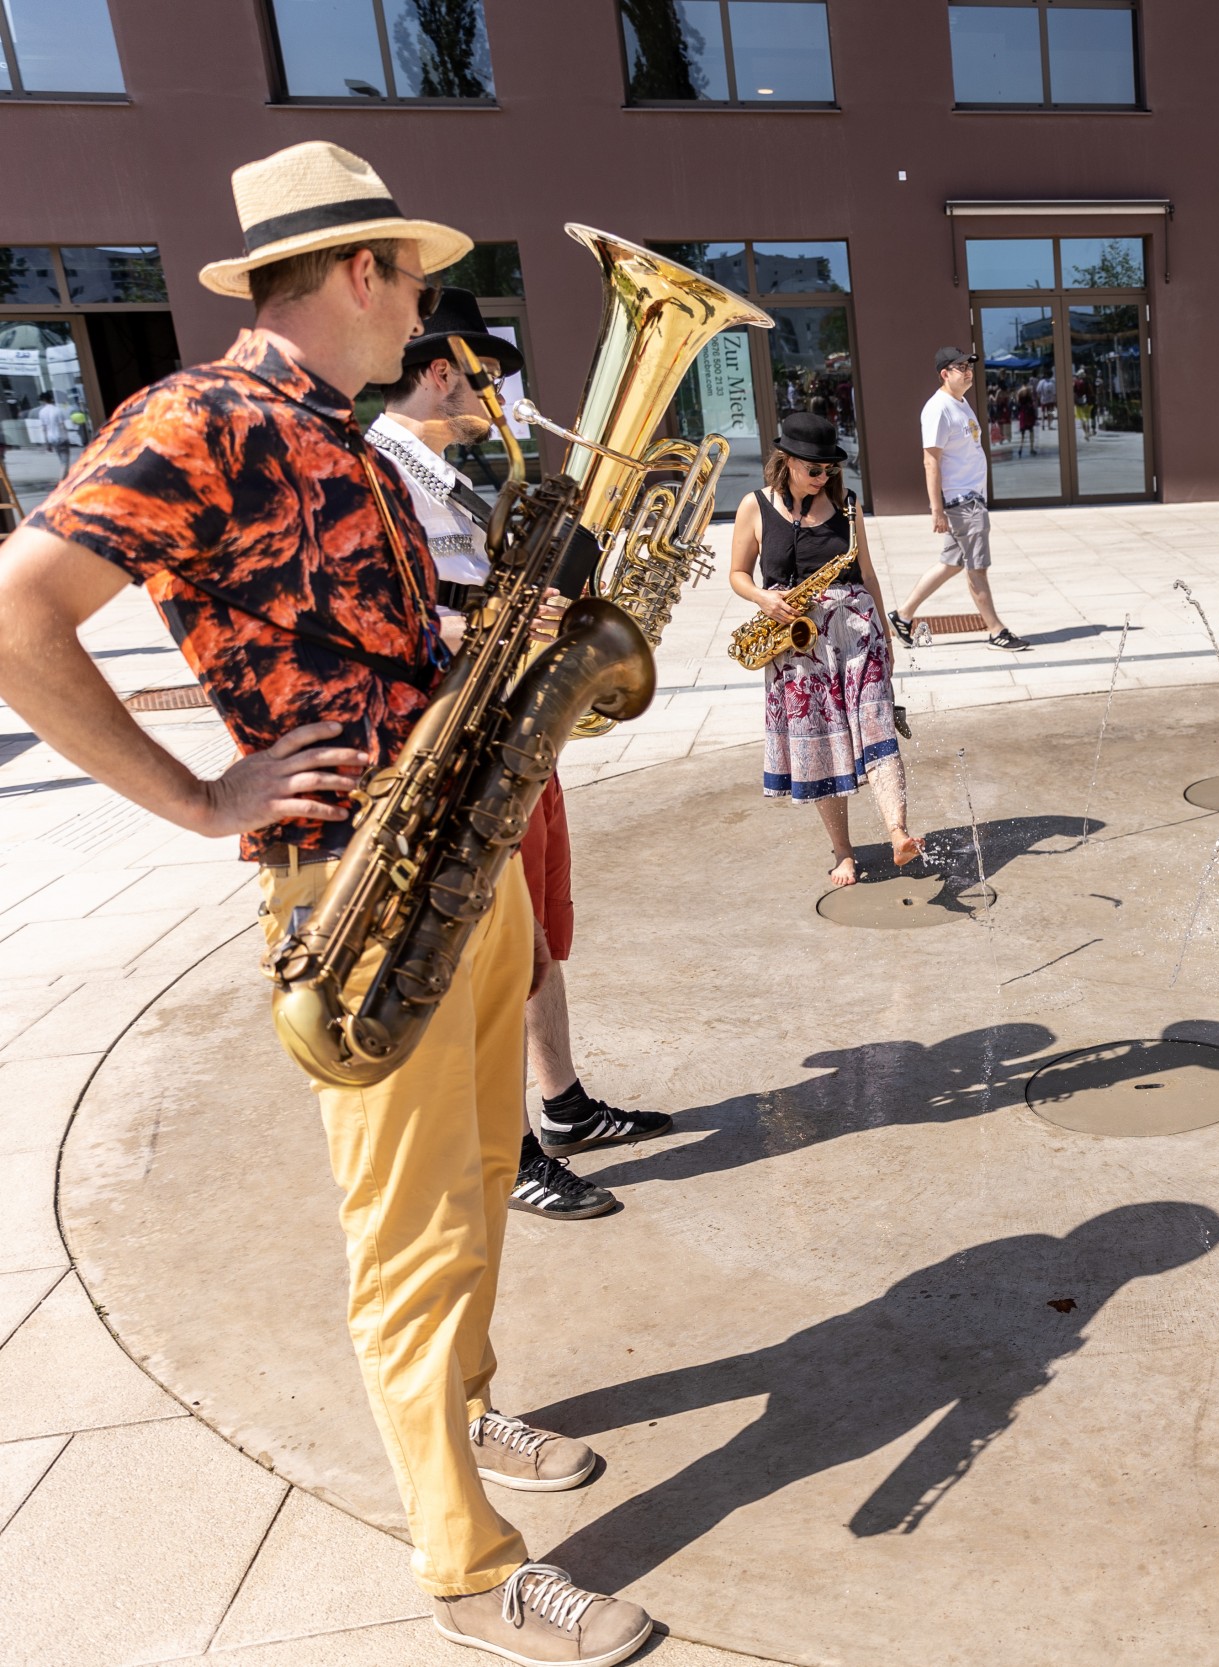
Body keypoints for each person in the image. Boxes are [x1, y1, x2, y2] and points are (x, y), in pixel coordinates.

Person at [0, 142, 650, 1665]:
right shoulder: (197, 417)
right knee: (409, 1228)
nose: (422, 309)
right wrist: (196, 796)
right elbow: (15, 610)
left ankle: (468, 1407)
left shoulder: (334, 430)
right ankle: (468, 1566)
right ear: (359, 270)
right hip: (356, 882)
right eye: (413, 278)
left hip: (451, 847)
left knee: (487, 1167)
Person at [368, 287, 672, 1225]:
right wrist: (498, 619)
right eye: (489, 374)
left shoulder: (447, 474)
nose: (502, 392)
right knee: (494, 948)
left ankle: (565, 1104)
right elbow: (394, 619)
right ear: (442, 371)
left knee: (542, 926)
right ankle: (516, 1147)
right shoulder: (379, 469)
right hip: (454, 744)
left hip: (510, 729)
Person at [728, 411, 921, 888]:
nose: (823, 476)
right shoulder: (754, 506)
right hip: (795, 641)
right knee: (820, 745)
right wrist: (763, 598)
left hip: (856, 632)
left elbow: (868, 572)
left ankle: (898, 831)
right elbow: (737, 574)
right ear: (787, 462)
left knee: (876, 721)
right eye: (814, 469)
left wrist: (887, 631)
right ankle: (843, 850)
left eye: (829, 469)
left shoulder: (849, 504)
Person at [893, 346, 1026, 651]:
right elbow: (931, 461)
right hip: (963, 502)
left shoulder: (961, 403)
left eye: (969, 366)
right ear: (944, 373)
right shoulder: (938, 408)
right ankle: (996, 630)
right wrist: (936, 509)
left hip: (971, 498)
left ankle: (902, 615)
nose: (968, 372)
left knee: (950, 563)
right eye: (961, 367)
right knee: (976, 567)